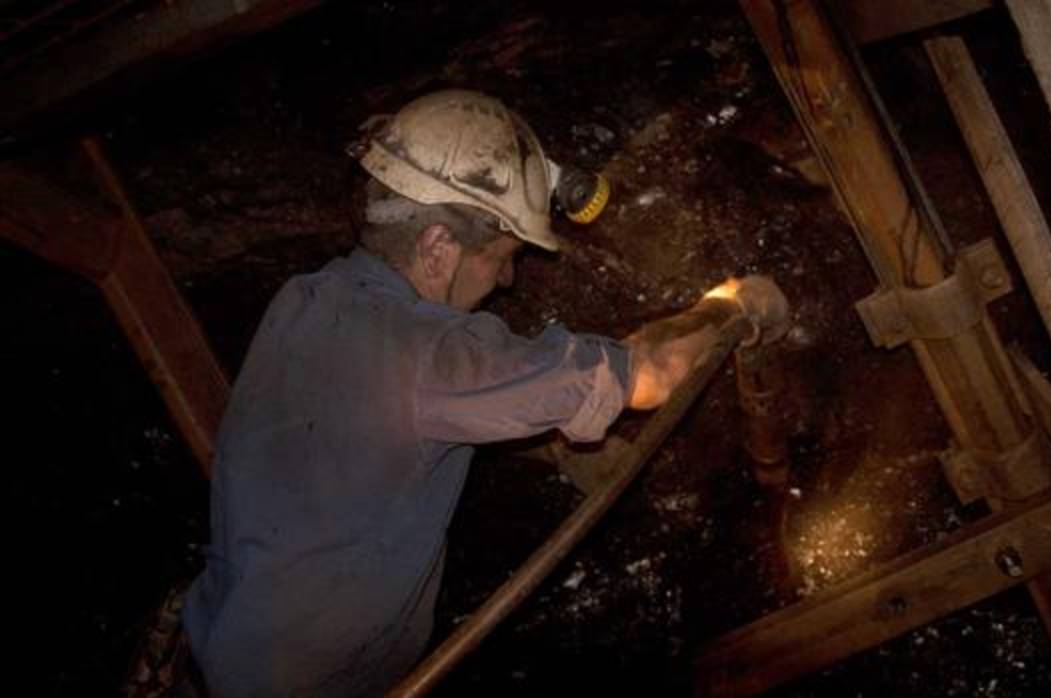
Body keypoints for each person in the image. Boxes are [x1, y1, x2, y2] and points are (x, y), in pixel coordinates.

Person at [181, 89, 788, 696]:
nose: (508, 277)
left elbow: (380, 422)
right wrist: (733, 307)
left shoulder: (307, 299)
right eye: (501, 255)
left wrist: (554, 449)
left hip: (225, 650)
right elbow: (651, 371)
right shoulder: (431, 357)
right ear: (437, 246)